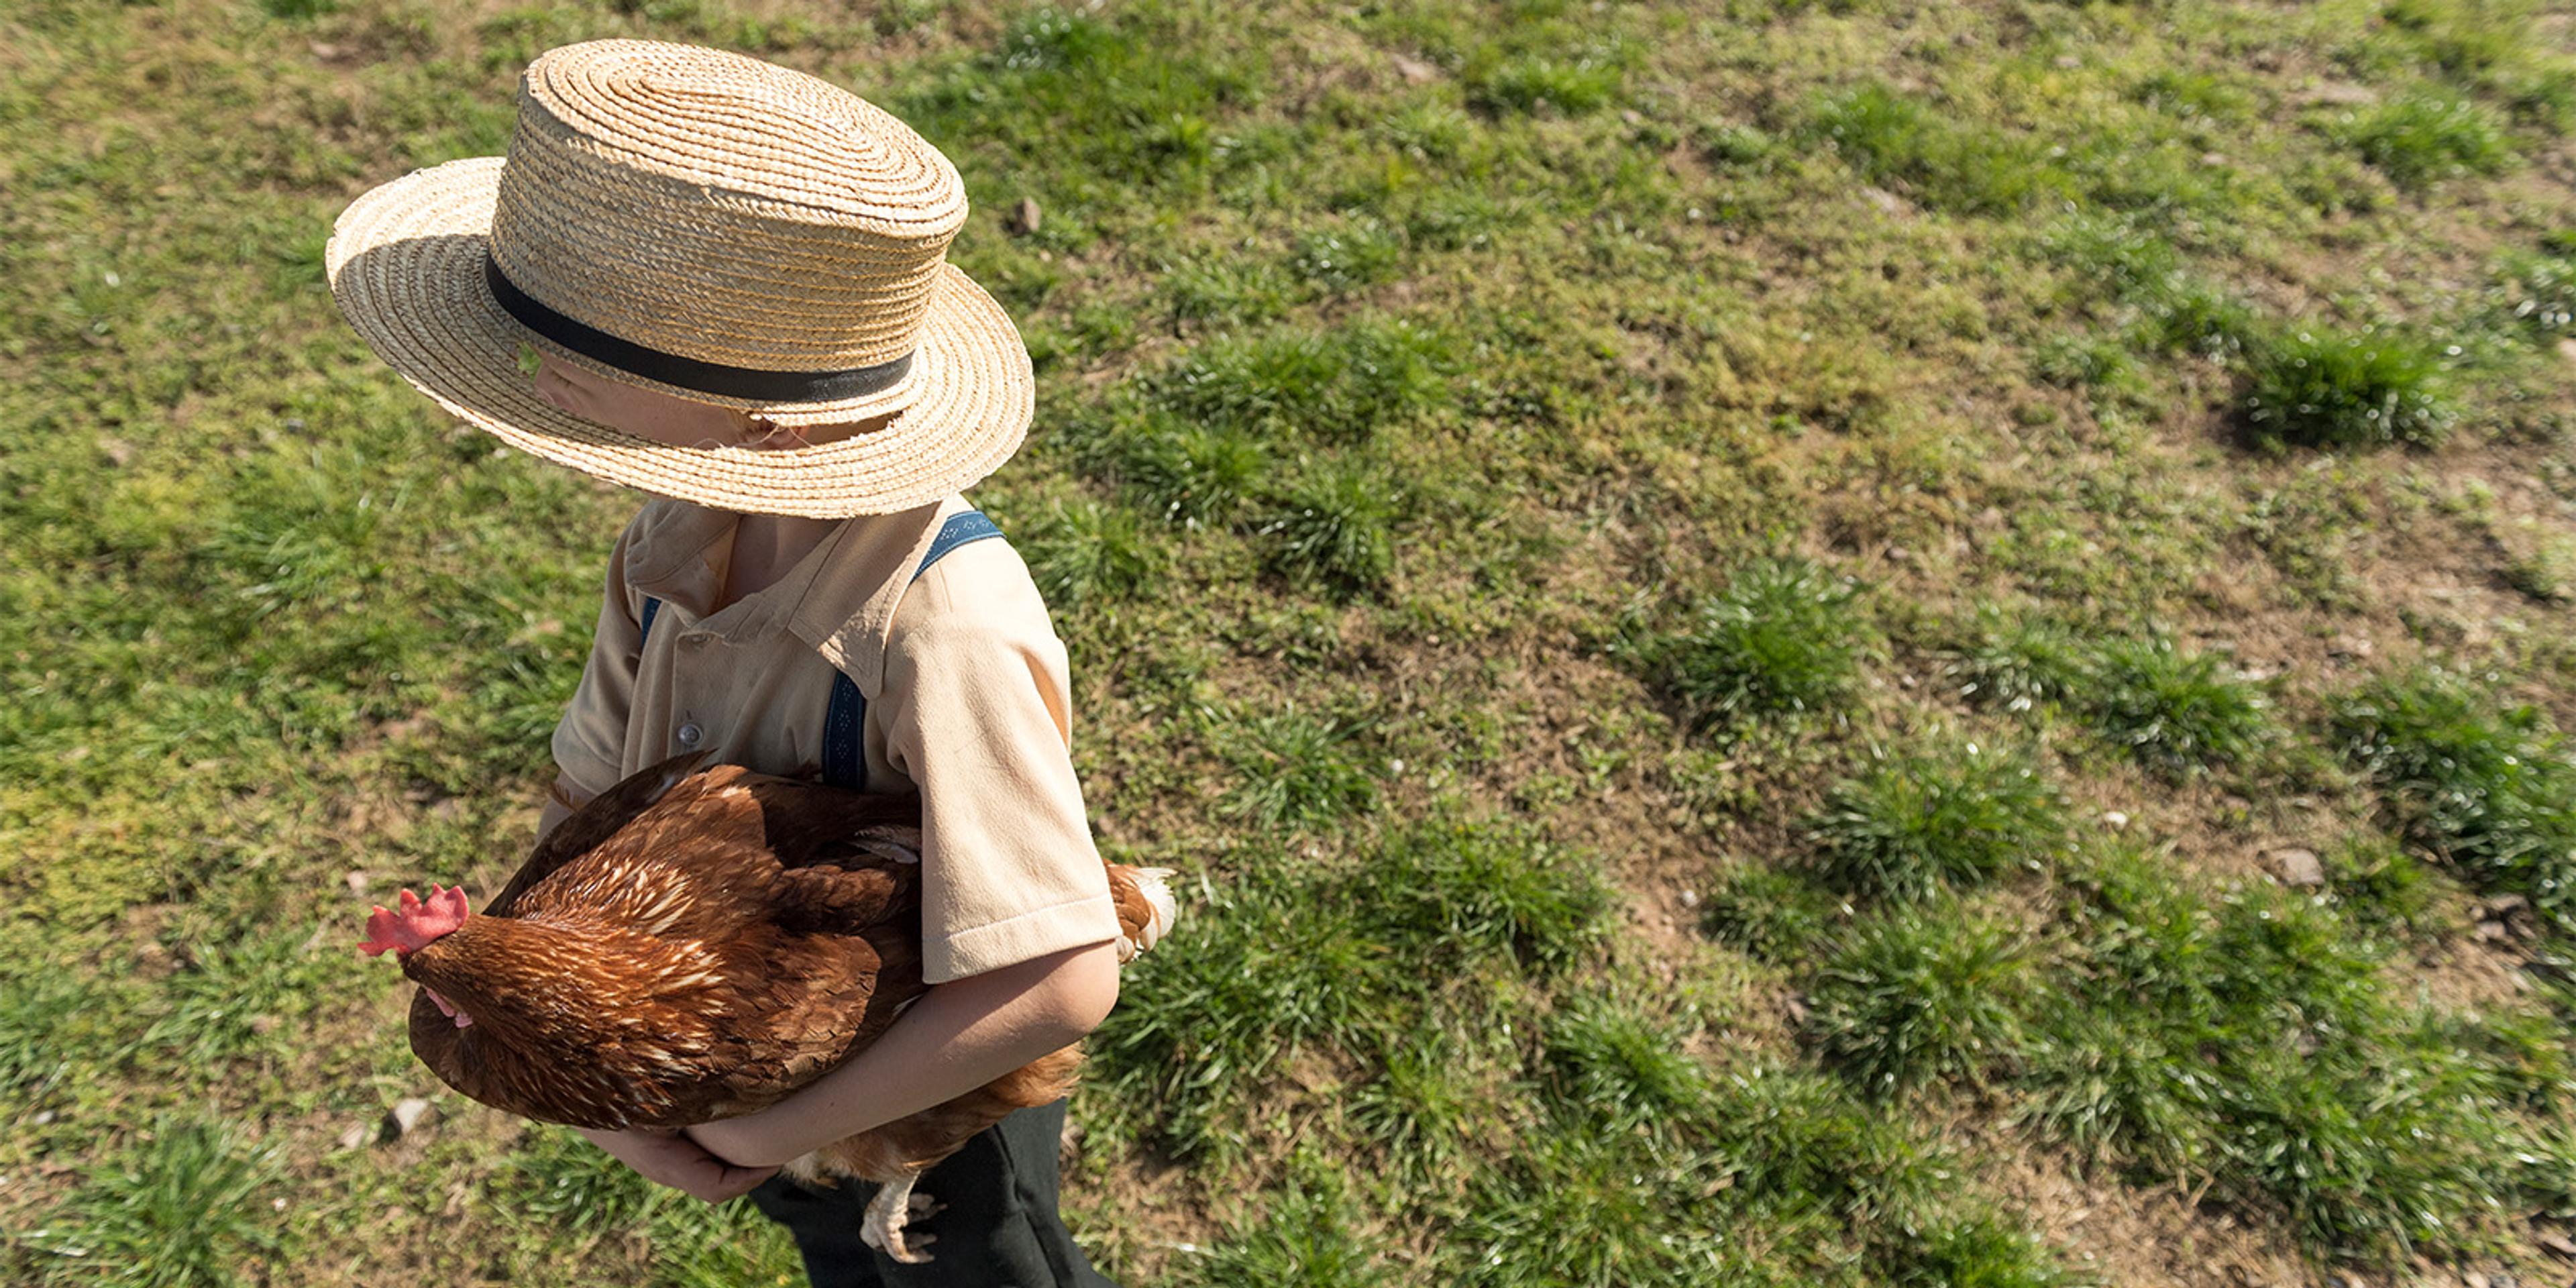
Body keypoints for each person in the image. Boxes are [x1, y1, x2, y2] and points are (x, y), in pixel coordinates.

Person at [324, 38, 1127, 1287]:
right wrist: (626, 1100)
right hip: (716, 1067)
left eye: (579, 366)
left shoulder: (942, 625)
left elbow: (1060, 977)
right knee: (830, 1261)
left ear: (763, 418)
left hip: (918, 1092)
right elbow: (581, 804)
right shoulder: (672, 541)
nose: (535, 374)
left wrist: (763, 1130)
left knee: (968, 1267)